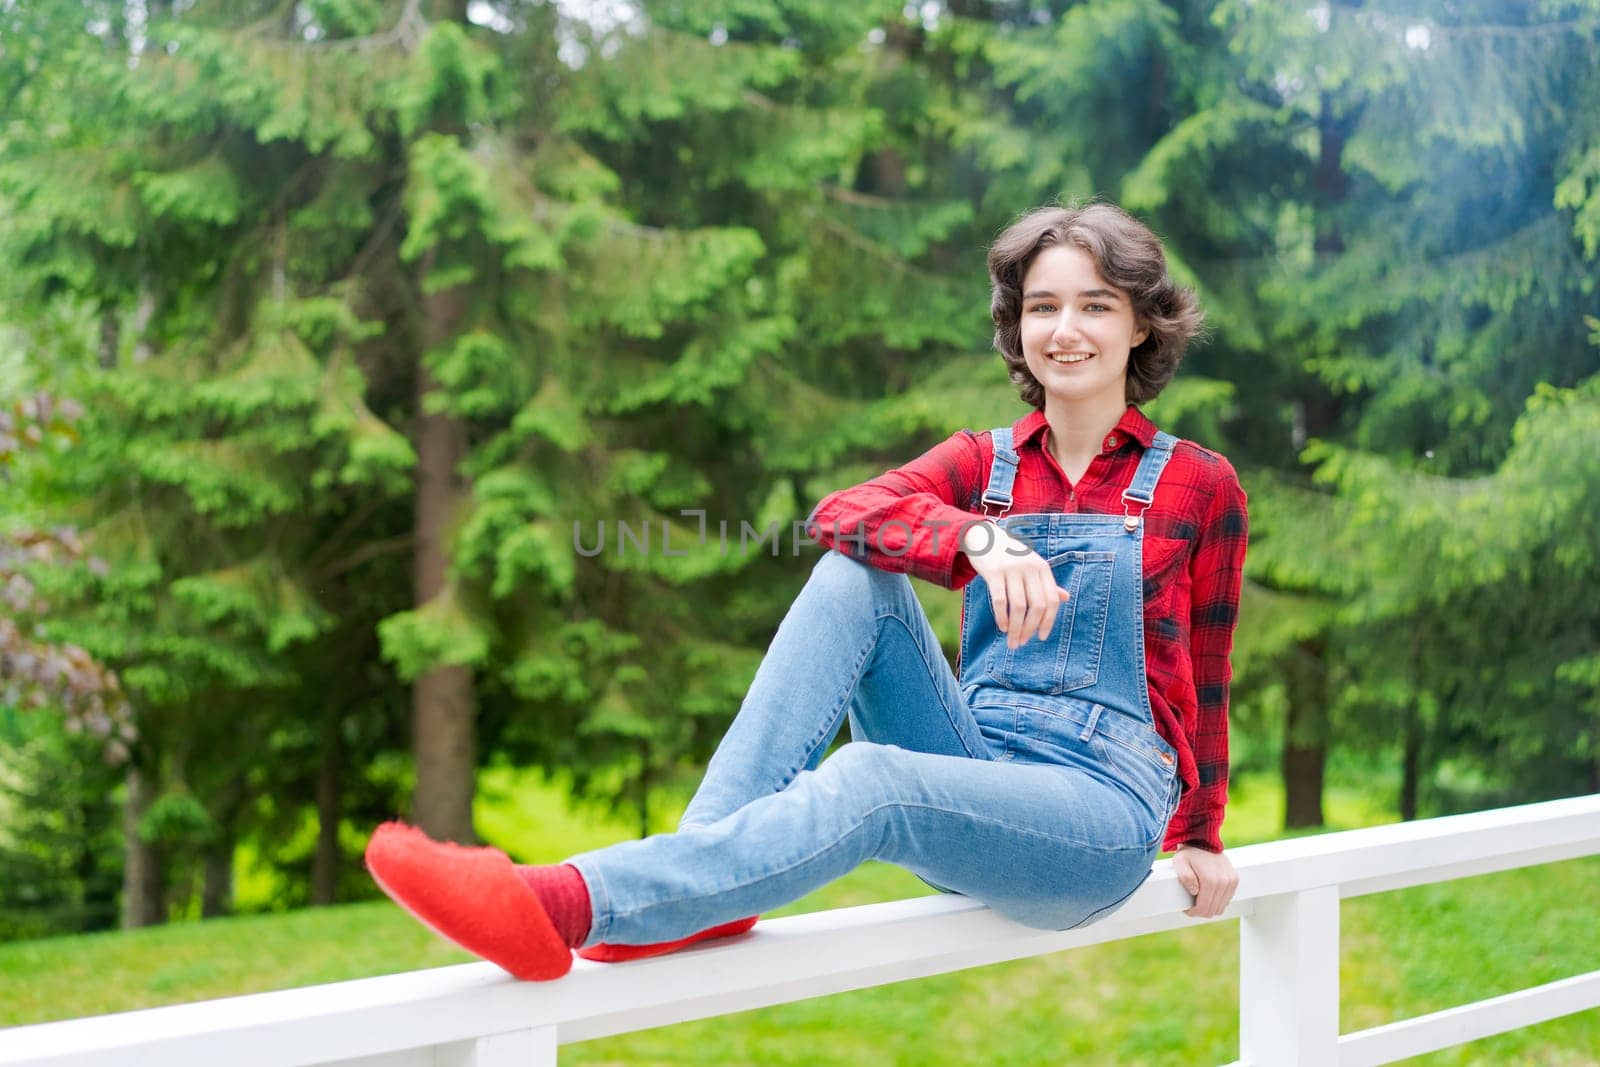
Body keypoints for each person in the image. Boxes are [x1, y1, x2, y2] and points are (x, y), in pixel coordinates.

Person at [364, 201, 1248, 982]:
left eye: (1096, 304)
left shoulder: (1200, 486)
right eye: (1043, 306)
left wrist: (1202, 833)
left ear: (1141, 326)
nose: (1066, 329)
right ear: (1016, 328)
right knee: (853, 571)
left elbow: (1207, 681)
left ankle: (565, 904)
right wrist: (975, 534)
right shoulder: (985, 464)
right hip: (974, 756)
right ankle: (701, 879)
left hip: (1096, 807)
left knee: (872, 777)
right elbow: (845, 515)